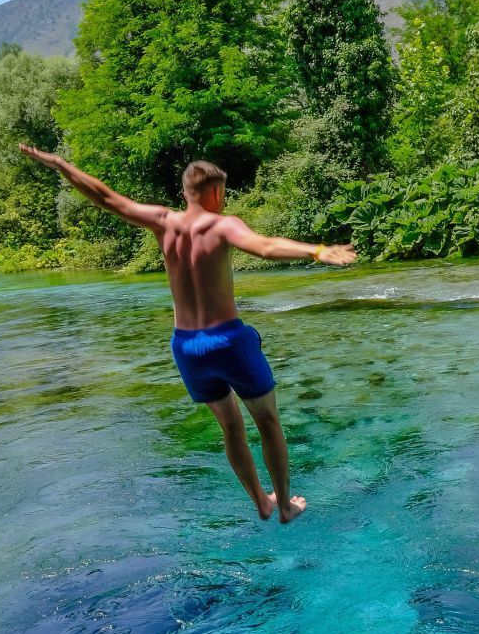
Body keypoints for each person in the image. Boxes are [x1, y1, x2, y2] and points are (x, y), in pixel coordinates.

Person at [19, 146, 356, 521]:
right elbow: (265, 247)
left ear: (184, 193)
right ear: (218, 193)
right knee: (268, 422)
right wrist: (317, 250)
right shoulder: (222, 224)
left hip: (187, 347)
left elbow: (105, 197)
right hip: (228, 340)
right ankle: (285, 505)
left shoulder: (163, 221)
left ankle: (260, 501)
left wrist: (61, 164)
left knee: (231, 426)